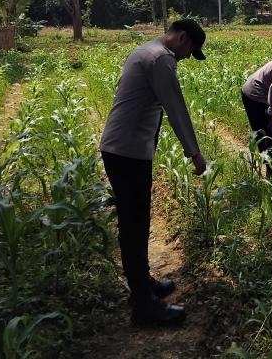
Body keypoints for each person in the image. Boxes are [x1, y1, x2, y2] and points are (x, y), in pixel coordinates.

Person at [100, 19, 208, 327]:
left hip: (123, 149)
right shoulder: (162, 58)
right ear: (183, 38)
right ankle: (143, 307)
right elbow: (175, 106)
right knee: (134, 225)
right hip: (127, 152)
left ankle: (142, 284)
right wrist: (194, 153)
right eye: (191, 51)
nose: (187, 57)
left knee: (135, 221)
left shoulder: (145, 50)